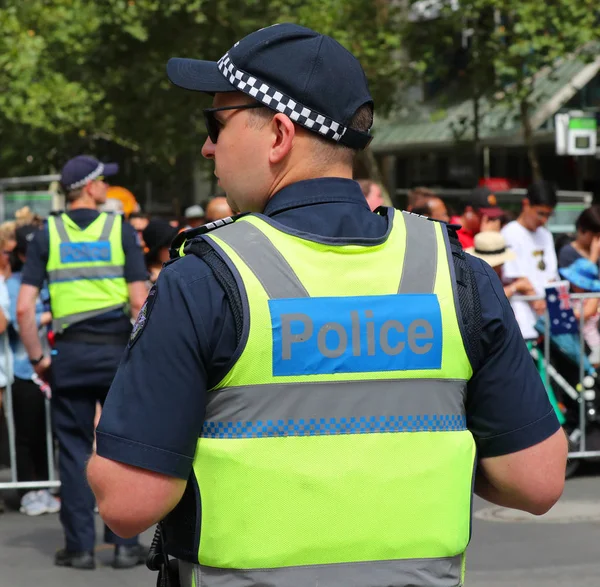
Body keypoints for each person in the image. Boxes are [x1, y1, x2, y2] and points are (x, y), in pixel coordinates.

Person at [87, 24, 566, 587]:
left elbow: (128, 501)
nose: (207, 146)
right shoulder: (454, 272)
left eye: (215, 124)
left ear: (279, 135)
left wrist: (107, 428)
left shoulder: (204, 280)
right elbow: (535, 480)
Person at [16, 155, 149, 570]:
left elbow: (24, 308)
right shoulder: (121, 230)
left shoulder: (46, 235)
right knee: (119, 447)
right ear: (89, 187)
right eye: (102, 183)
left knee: (74, 451)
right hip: (115, 353)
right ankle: (125, 544)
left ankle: (79, 549)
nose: (107, 189)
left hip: (69, 355)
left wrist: (38, 359)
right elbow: (140, 302)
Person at [6, 224, 59, 516]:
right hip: (25, 369)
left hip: (54, 364)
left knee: (50, 432)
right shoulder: (14, 284)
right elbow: (18, 319)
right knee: (27, 432)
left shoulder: (52, 280)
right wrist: (54, 313)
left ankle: (48, 487)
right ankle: (29, 490)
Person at [501, 180, 559, 341]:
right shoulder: (510, 232)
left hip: (546, 318)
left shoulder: (545, 235)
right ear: (526, 204)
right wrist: (537, 302)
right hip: (522, 317)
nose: (544, 220)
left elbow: (551, 274)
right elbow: (517, 277)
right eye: (540, 213)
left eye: (549, 215)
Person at [467, 231, 536, 300]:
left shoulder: (495, 272)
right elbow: (489, 298)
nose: (502, 264)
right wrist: (515, 287)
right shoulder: (476, 275)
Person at [559, 258, 600, 365]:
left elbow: (584, 314)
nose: (573, 284)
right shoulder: (573, 297)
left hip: (591, 344)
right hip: (575, 342)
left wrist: (562, 308)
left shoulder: (593, 298)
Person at [143, 219, 179, 285]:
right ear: (158, 251)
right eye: (169, 244)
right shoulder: (145, 278)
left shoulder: (179, 269)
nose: (176, 248)